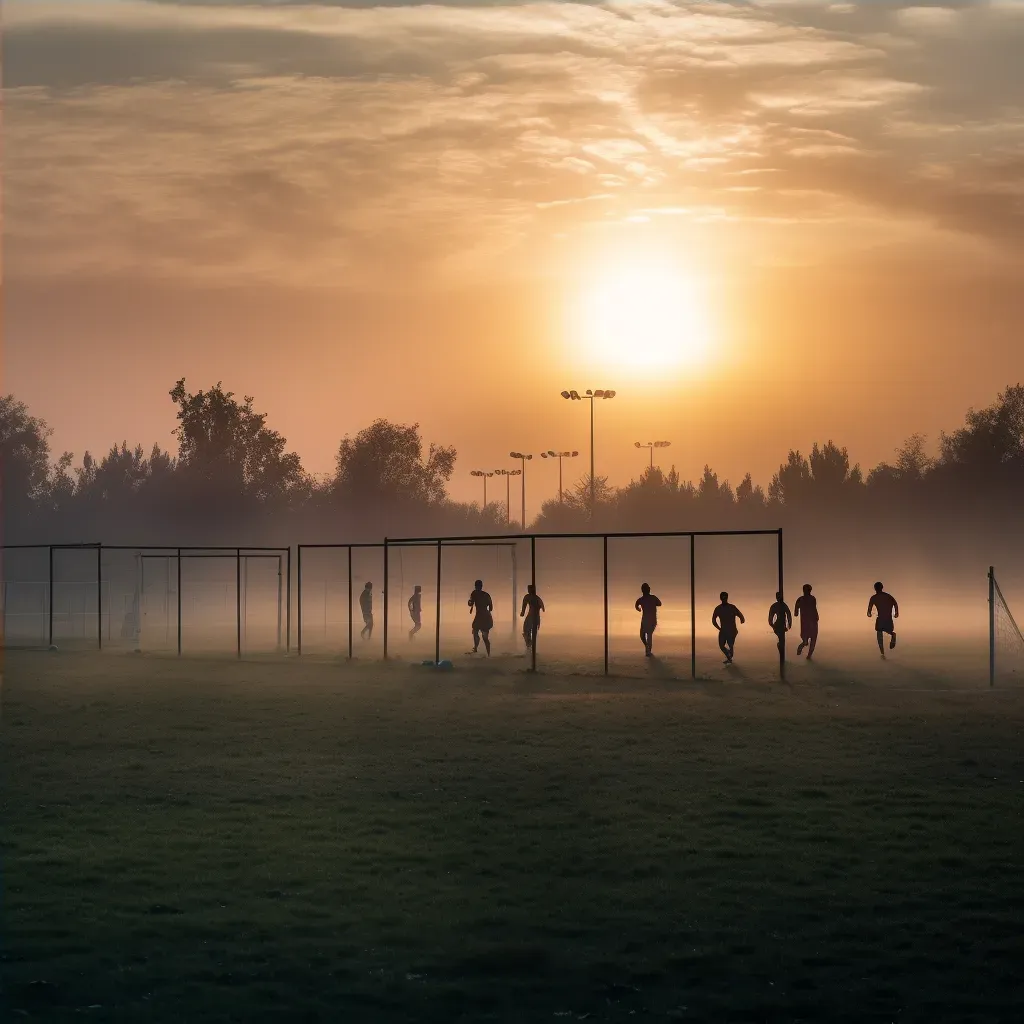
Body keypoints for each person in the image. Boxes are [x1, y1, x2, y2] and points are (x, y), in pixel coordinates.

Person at [867, 581, 899, 658]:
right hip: (888, 618)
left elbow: (870, 607)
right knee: (887, 630)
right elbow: (895, 603)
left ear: (875, 588)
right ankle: (892, 634)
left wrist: (869, 613)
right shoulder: (888, 596)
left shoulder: (874, 597)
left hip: (881, 617)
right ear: (882, 587)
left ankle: (882, 653)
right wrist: (896, 612)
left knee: (879, 633)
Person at [712, 591, 745, 664]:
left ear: (727, 598)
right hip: (723, 630)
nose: (724, 598)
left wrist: (742, 619)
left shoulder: (732, 607)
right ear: (720, 598)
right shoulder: (718, 608)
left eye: (725, 597)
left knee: (730, 644)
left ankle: (730, 657)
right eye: (722, 597)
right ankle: (729, 657)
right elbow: (713, 620)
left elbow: (740, 615)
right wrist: (719, 628)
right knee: (721, 645)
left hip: (732, 630)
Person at [634, 583, 662, 657]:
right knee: (644, 635)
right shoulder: (644, 599)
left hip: (650, 619)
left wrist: (638, 608)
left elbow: (659, 603)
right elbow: (659, 603)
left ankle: (648, 650)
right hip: (648, 619)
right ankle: (647, 648)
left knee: (647, 635)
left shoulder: (647, 598)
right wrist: (638, 608)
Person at [468, 579, 493, 655]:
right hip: (487, 616)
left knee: (475, 632)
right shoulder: (486, 594)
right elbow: (491, 607)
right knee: (484, 637)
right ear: (481, 586)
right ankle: (488, 654)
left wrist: (470, 602)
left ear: (476, 586)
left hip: (480, 616)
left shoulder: (474, 593)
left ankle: (475, 648)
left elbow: (470, 603)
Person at [794, 583, 818, 659]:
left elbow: (796, 613)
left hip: (807, 622)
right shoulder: (811, 598)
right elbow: (814, 609)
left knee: (808, 639)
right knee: (812, 639)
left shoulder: (800, 599)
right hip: (811, 621)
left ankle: (807, 653)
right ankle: (808, 656)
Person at [520, 584, 545, 650]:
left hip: (532, 616)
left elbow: (523, 608)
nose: (528, 590)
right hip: (536, 617)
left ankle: (530, 645)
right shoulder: (537, 598)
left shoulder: (528, 597)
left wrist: (522, 612)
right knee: (529, 631)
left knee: (527, 630)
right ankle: (530, 645)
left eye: (529, 589)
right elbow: (543, 608)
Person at [768, 592, 792, 658]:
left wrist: (789, 624)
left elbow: (788, 615)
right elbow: (770, 618)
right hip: (778, 625)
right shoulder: (775, 606)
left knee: (782, 640)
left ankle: (781, 652)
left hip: (782, 625)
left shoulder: (783, 605)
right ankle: (780, 650)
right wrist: (773, 625)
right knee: (781, 640)